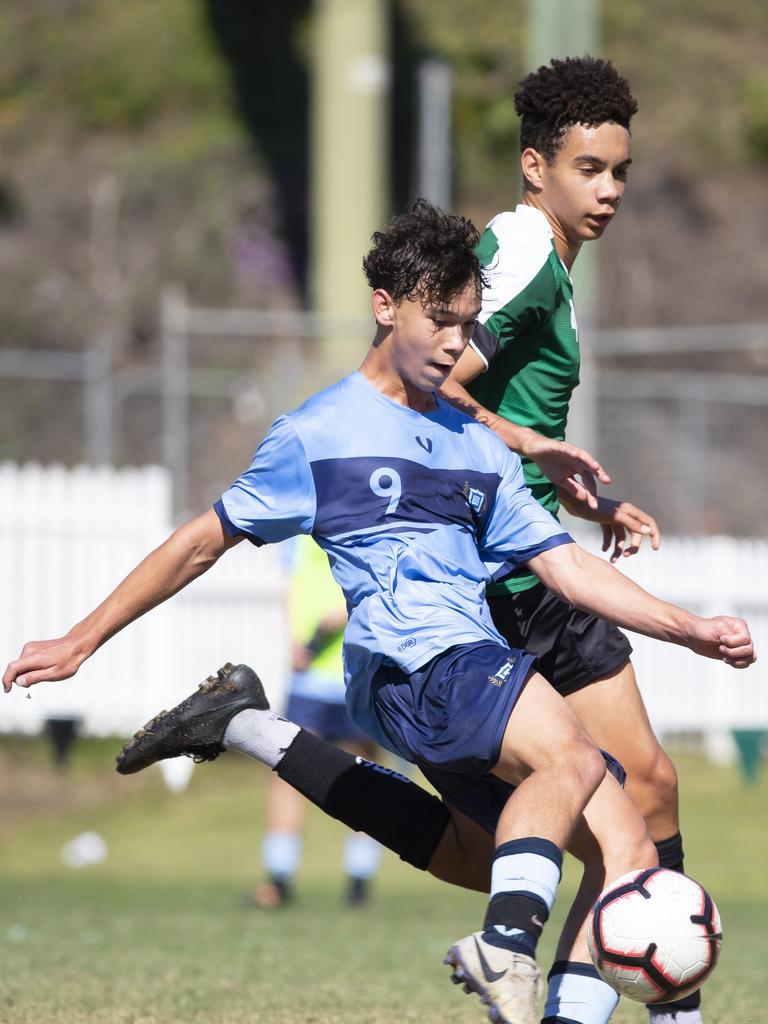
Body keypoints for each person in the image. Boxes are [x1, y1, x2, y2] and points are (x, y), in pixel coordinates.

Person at [3, 201, 754, 1024]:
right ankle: (506, 946)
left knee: (622, 848)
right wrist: (82, 638)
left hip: (458, 665)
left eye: (468, 326)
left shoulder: (475, 445)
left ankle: (251, 729)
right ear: (385, 305)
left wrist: (689, 628)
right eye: (440, 320)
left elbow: (566, 565)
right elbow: (197, 543)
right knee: (571, 763)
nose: (454, 344)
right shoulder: (319, 433)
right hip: (420, 662)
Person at [436, 56, 703, 1024]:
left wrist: (576, 490)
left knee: (646, 795)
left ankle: (624, 1005)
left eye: (620, 171)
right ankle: (654, 1005)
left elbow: (487, 410)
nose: (611, 191)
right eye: (590, 168)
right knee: (616, 808)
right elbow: (432, 381)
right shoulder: (521, 258)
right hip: (508, 575)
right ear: (534, 166)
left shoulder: (541, 261)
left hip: (523, 549)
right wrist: (531, 444)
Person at [250, 534, 381, 908]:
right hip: (309, 679)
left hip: (359, 672)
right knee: (287, 770)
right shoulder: (299, 533)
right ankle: (279, 877)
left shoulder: (368, 521)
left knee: (367, 775)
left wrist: (343, 613)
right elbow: (293, 586)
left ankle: (359, 880)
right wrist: (293, 640)